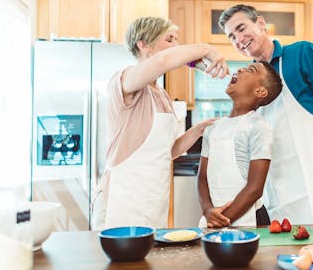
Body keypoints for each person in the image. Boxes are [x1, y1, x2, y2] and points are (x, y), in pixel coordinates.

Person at [92, 16, 229, 230]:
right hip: (124, 197)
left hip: (153, 197)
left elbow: (168, 151)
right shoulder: (126, 79)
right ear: (143, 44)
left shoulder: (161, 94)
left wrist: (198, 130)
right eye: (170, 39)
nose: (176, 46)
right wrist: (205, 49)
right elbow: (163, 61)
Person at [218, 4, 313, 224]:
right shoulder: (249, 79)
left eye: (241, 28)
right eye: (232, 36)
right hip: (274, 187)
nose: (238, 39)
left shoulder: (302, 53)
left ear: (260, 23)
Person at [197, 61, 283, 228]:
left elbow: (255, 188)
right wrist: (208, 210)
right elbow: (202, 178)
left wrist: (221, 221)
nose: (240, 69)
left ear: (260, 91)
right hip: (214, 218)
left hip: (249, 219)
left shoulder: (258, 127)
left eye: (250, 70)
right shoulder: (213, 128)